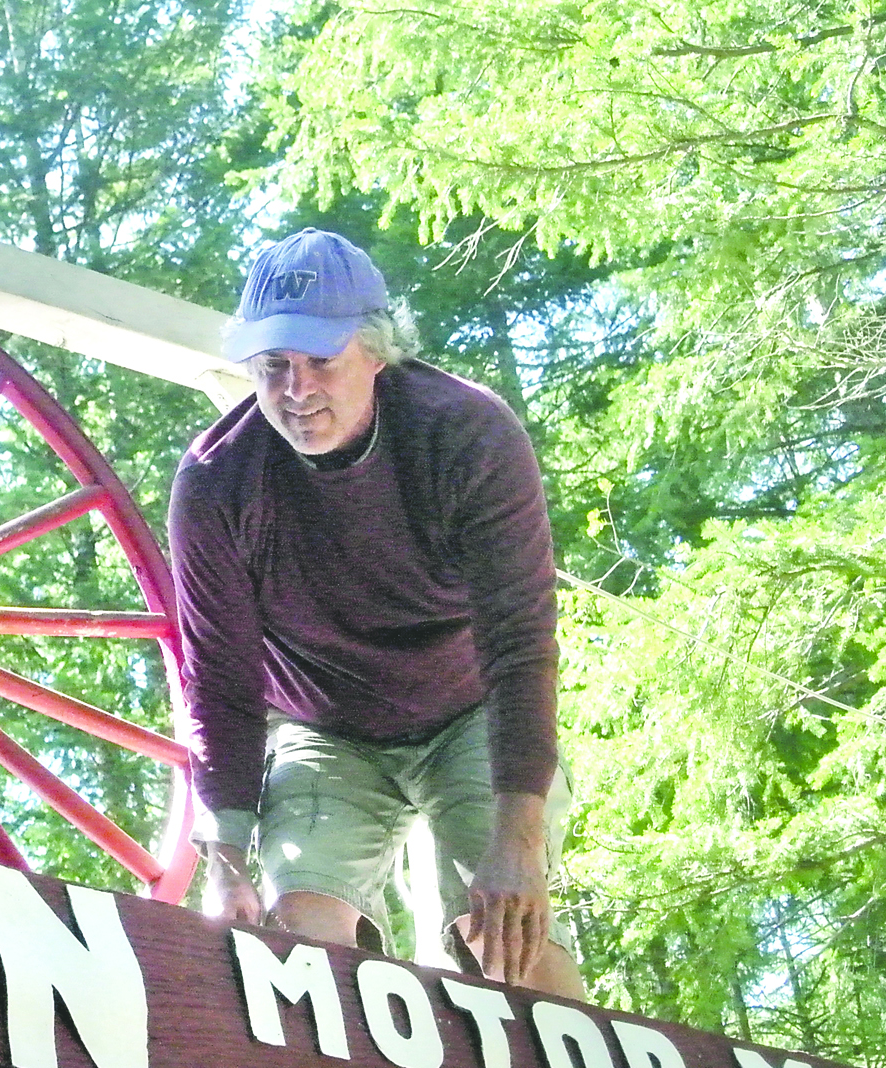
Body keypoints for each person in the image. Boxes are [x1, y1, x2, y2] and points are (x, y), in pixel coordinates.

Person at [168, 227, 585, 998]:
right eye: (273, 367)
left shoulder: (466, 435)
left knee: (506, 941)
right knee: (298, 934)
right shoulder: (217, 481)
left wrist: (517, 840)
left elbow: (521, 644)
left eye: (320, 362)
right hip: (325, 730)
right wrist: (224, 863)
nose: (296, 390)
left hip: (471, 714)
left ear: (376, 351)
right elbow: (219, 681)